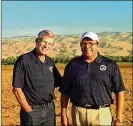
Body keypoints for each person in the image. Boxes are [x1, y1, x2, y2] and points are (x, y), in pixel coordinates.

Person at [59, 32, 125, 126]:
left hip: (101, 114)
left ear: (98, 45)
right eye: (83, 43)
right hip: (78, 113)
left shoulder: (110, 65)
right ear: (80, 46)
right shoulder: (72, 65)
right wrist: (63, 114)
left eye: (91, 43)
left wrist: (119, 118)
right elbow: (65, 92)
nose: (87, 46)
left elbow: (120, 92)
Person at [12, 30, 62, 126]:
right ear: (37, 41)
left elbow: (60, 82)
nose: (47, 46)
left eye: (50, 44)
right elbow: (17, 89)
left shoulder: (50, 62)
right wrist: (28, 110)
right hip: (32, 110)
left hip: (50, 110)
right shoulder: (24, 60)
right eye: (44, 42)